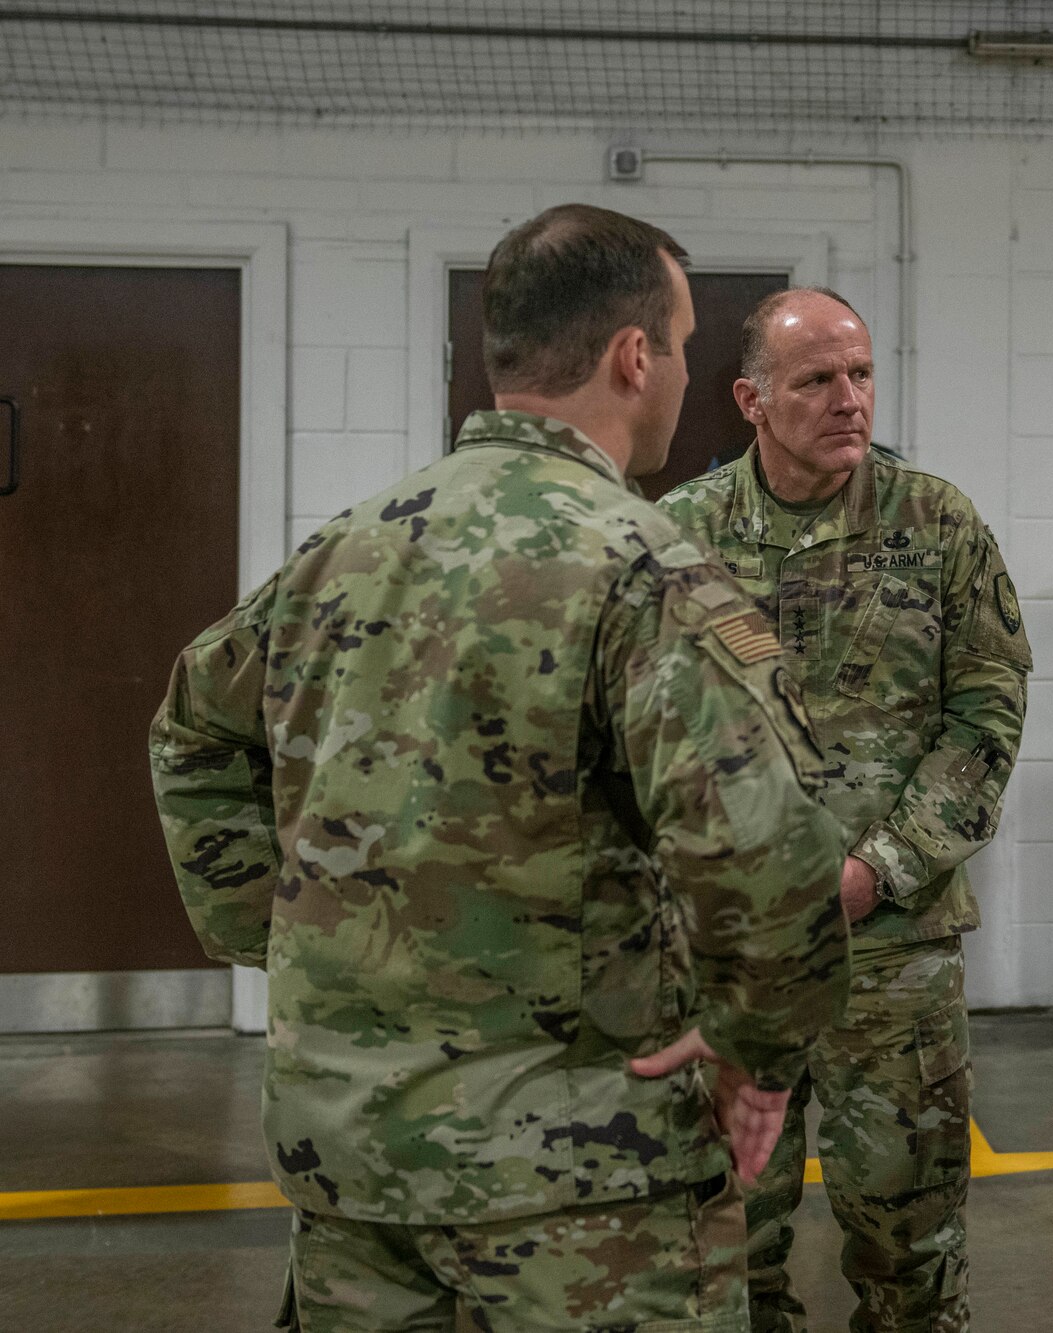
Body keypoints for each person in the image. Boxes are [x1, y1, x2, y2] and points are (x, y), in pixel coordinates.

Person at [148, 204, 851, 1332]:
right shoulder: (646, 567)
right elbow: (765, 845)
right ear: (635, 357)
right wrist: (756, 1048)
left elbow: (189, 728)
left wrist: (274, 926)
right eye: (677, 345)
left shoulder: (346, 546)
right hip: (579, 1180)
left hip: (351, 1162)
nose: (675, 371)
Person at [660, 287, 1032, 1332]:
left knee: (909, 1254)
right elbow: (641, 738)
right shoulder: (679, 541)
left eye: (860, 374)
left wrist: (880, 868)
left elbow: (985, 721)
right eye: (817, 379)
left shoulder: (938, 525)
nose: (848, 398)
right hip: (734, 960)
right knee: (726, 1250)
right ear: (751, 397)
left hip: (893, 959)